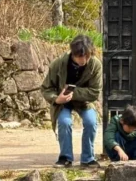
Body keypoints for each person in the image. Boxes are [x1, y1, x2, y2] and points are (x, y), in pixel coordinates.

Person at [41, 35, 102, 169]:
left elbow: (95, 92)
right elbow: (46, 88)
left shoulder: (95, 65)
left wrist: (73, 93)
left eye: (87, 56)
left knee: (91, 122)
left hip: (84, 102)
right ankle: (65, 157)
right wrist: (56, 99)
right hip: (62, 102)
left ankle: (88, 158)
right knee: (64, 122)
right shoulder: (58, 64)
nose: (84, 60)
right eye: (80, 57)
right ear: (73, 54)